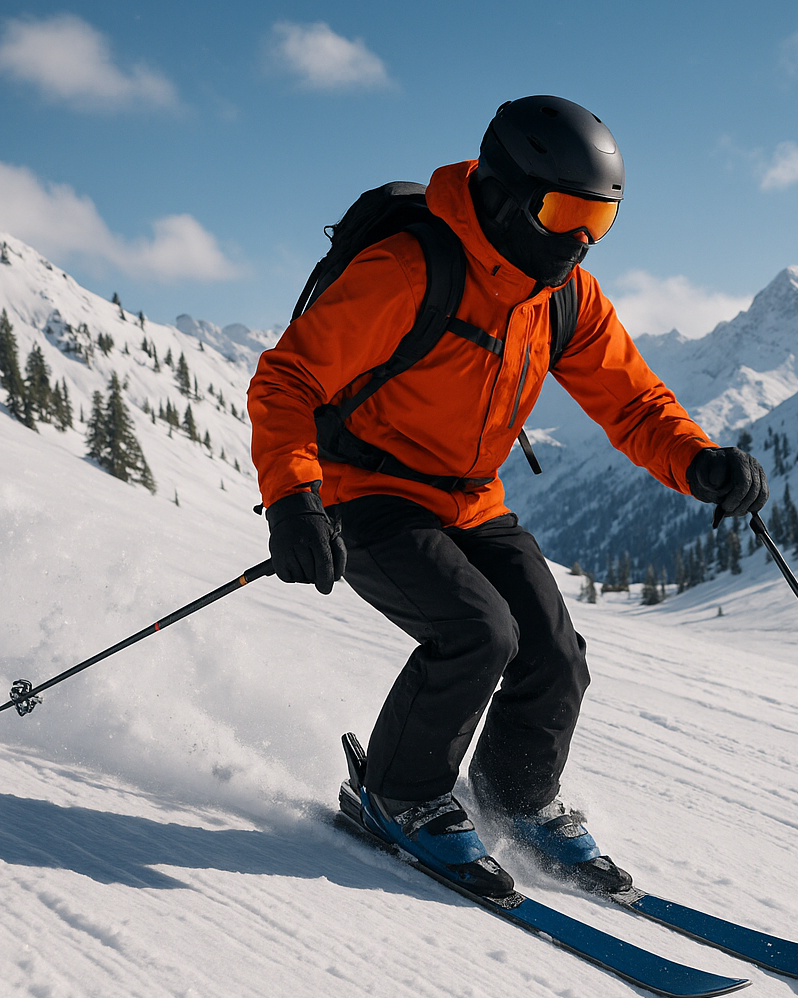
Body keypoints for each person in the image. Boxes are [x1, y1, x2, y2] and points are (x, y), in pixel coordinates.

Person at [248, 96, 767, 898]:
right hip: (367, 489)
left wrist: (697, 462)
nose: (581, 239)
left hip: (471, 498)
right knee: (475, 635)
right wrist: (292, 497)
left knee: (555, 657)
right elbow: (289, 377)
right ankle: (399, 795)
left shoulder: (564, 297)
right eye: (565, 212)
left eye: (602, 218)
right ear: (504, 193)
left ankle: (516, 803)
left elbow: (631, 403)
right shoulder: (412, 269)